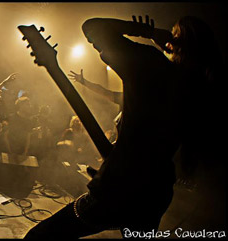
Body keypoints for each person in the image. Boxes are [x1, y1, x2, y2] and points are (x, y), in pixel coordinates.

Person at [24, 15, 220, 239]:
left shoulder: (152, 66)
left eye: (173, 35)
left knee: (39, 236)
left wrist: (148, 32)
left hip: (118, 191)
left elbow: (92, 27)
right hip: (155, 195)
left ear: (175, 41)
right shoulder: (201, 92)